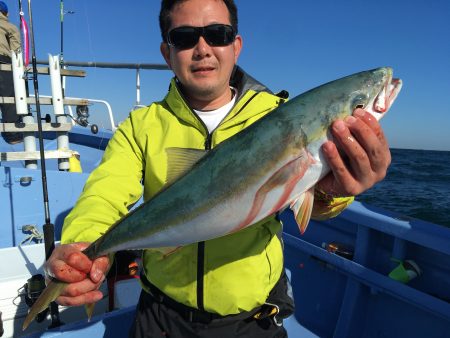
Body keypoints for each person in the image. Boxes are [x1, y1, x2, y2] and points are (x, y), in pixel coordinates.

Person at [44, 0, 392, 337]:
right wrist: (82, 245)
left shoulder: (275, 115)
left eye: (218, 33)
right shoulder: (142, 126)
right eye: (184, 37)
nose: (202, 48)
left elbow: (311, 197)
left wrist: (337, 192)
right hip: (161, 316)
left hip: (253, 320)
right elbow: (104, 193)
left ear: (236, 45)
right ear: (167, 52)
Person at [0, 0, 22, 144]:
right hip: (3, 62)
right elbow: (16, 51)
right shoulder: (10, 27)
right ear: (6, 13)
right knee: (9, 98)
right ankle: (12, 136)